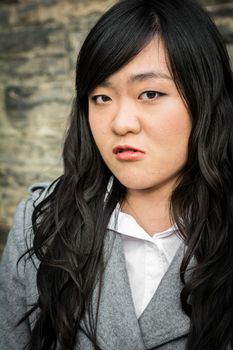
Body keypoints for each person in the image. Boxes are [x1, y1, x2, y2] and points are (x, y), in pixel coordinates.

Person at [0, 0, 233, 349]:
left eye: (150, 93)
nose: (120, 123)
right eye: (102, 97)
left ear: (205, 98)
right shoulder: (42, 224)